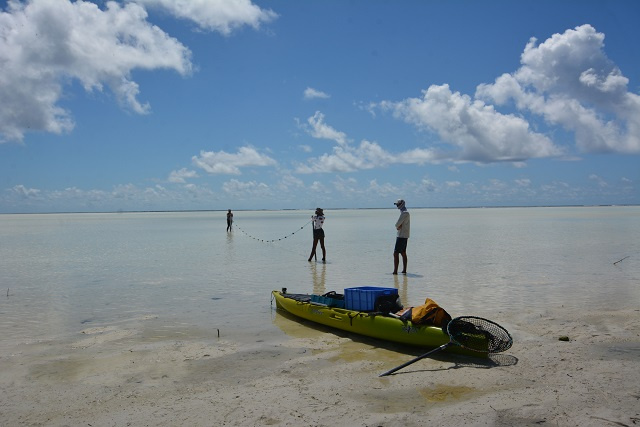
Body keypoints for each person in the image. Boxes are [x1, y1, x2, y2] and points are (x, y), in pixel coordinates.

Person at [393, 199, 410, 275]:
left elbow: (397, 225)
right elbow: (398, 225)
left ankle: (395, 271)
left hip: (401, 235)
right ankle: (404, 270)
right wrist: (398, 226)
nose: (397, 206)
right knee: (403, 252)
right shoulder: (405, 212)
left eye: (397, 204)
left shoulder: (404, 213)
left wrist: (398, 226)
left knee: (396, 253)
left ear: (401, 204)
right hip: (404, 235)